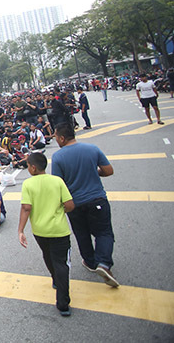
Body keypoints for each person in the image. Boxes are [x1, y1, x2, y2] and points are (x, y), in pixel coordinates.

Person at [52, 122, 118, 287]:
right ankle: (103, 263)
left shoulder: (58, 157)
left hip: (74, 203)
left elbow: (58, 184)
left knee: (82, 233)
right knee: (104, 233)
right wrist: (95, 172)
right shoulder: (92, 149)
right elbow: (108, 171)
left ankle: (90, 261)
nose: (55, 140)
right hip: (97, 199)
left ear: (61, 137)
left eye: (55, 137)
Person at [18, 152, 75, 317]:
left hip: (40, 231)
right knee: (62, 263)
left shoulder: (28, 184)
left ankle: (55, 279)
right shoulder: (57, 181)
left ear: (33, 168)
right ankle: (63, 304)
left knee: (47, 255)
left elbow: (26, 208)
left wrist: (21, 230)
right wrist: (58, 211)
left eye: (28, 165)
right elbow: (70, 205)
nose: (28, 168)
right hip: (59, 230)